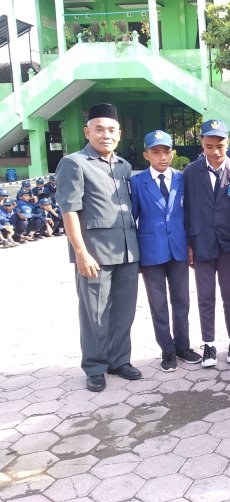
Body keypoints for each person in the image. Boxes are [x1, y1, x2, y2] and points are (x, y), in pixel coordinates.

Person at [55, 103, 141, 393]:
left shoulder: (123, 166)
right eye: (100, 129)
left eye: (112, 130)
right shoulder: (74, 163)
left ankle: (120, 360)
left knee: (124, 311)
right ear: (87, 132)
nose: (106, 135)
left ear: (120, 133)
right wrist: (81, 253)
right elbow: (69, 211)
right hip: (95, 254)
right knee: (95, 314)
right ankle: (94, 367)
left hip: (128, 251)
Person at [131, 130, 202, 372]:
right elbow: (132, 219)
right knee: (158, 304)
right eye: (155, 152)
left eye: (166, 151)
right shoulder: (138, 182)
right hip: (151, 251)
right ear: (146, 155)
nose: (162, 157)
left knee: (182, 300)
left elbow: (189, 215)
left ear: (172, 153)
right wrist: (135, 255)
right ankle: (167, 350)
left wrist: (190, 245)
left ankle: (183, 346)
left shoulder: (182, 179)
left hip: (179, 249)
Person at [183, 119, 230, 368]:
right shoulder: (190, 172)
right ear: (202, 144)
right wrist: (188, 244)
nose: (215, 152)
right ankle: (208, 343)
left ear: (228, 143)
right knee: (205, 296)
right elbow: (186, 210)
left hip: (229, 245)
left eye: (220, 146)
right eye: (209, 146)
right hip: (201, 243)